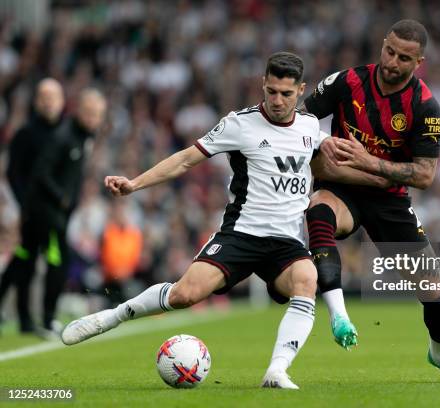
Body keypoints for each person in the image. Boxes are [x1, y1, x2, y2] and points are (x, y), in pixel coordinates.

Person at [61, 52, 384, 389]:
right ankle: (111, 317)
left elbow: (332, 163)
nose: (277, 100)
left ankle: (277, 370)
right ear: (263, 84)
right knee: (184, 295)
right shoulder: (239, 124)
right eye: (271, 91)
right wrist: (135, 184)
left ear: (301, 90)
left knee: (307, 279)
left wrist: (381, 177)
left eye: (286, 94)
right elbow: (186, 160)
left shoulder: (310, 129)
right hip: (240, 235)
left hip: (286, 243)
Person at [302, 20, 440, 382]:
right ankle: (338, 314)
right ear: (383, 44)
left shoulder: (426, 107)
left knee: (435, 296)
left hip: (390, 202)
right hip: (341, 187)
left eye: (404, 58)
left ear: (419, 63)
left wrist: (368, 161)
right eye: (390, 51)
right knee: (318, 208)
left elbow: (426, 175)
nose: (392, 62)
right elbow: (299, 119)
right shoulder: (346, 81)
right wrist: (320, 142)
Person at [1, 88, 107, 338]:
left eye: (97, 115)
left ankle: (29, 320)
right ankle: (47, 319)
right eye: (89, 113)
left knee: (24, 258)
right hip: (42, 211)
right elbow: (33, 173)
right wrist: (59, 199)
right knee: (56, 261)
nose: (92, 119)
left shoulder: (78, 135)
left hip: (48, 211)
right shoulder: (53, 135)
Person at [0, 78, 65, 333]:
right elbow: (14, 173)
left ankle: (42, 316)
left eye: (53, 97)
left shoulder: (65, 133)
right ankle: (29, 318)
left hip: (55, 212)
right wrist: (24, 204)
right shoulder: (26, 133)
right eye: (44, 97)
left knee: (31, 259)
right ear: (37, 101)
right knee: (27, 260)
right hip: (31, 211)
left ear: (61, 101)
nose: (49, 103)